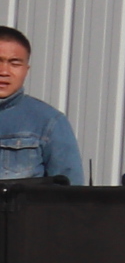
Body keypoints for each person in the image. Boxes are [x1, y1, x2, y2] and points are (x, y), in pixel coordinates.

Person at [0, 28, 83, 185]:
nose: (4, 71)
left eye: (14, 64)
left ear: (26, 70)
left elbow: (71, 192)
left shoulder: (49, 122)